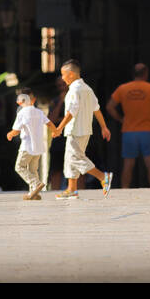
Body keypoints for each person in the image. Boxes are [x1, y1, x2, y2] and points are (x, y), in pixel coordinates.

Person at [53, 60, 112, 197]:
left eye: (63, 74)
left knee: (75, 158)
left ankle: (103, 177)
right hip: (84, 131)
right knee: (70, 158)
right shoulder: (87, 89)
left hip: (75, 130)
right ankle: (72, 189)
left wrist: (59, 128)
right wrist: (104, 127)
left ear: (71, 74)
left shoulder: (74, 90)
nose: (62, 78)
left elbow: (71, 112)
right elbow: (96, 110)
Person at [106, 63, 150, 189]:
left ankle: (124, 189)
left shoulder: (123, 88)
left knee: (128, 164)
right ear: (146, 74)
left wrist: (121, 119)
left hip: (129, 131)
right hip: (148, 130)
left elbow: (109, 107)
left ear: (133, 74)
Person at [6, 88, 57, 200]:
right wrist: (56, 131)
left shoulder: (22, 113)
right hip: (38, 147)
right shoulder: (39, 112)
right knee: (33, 170)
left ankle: (36, 183)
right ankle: (34, 194)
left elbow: (16, 130)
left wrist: (10, 134)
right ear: (33, 100)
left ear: (19, 101)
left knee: (19, 167)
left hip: (27, 147)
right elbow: (49, 123)